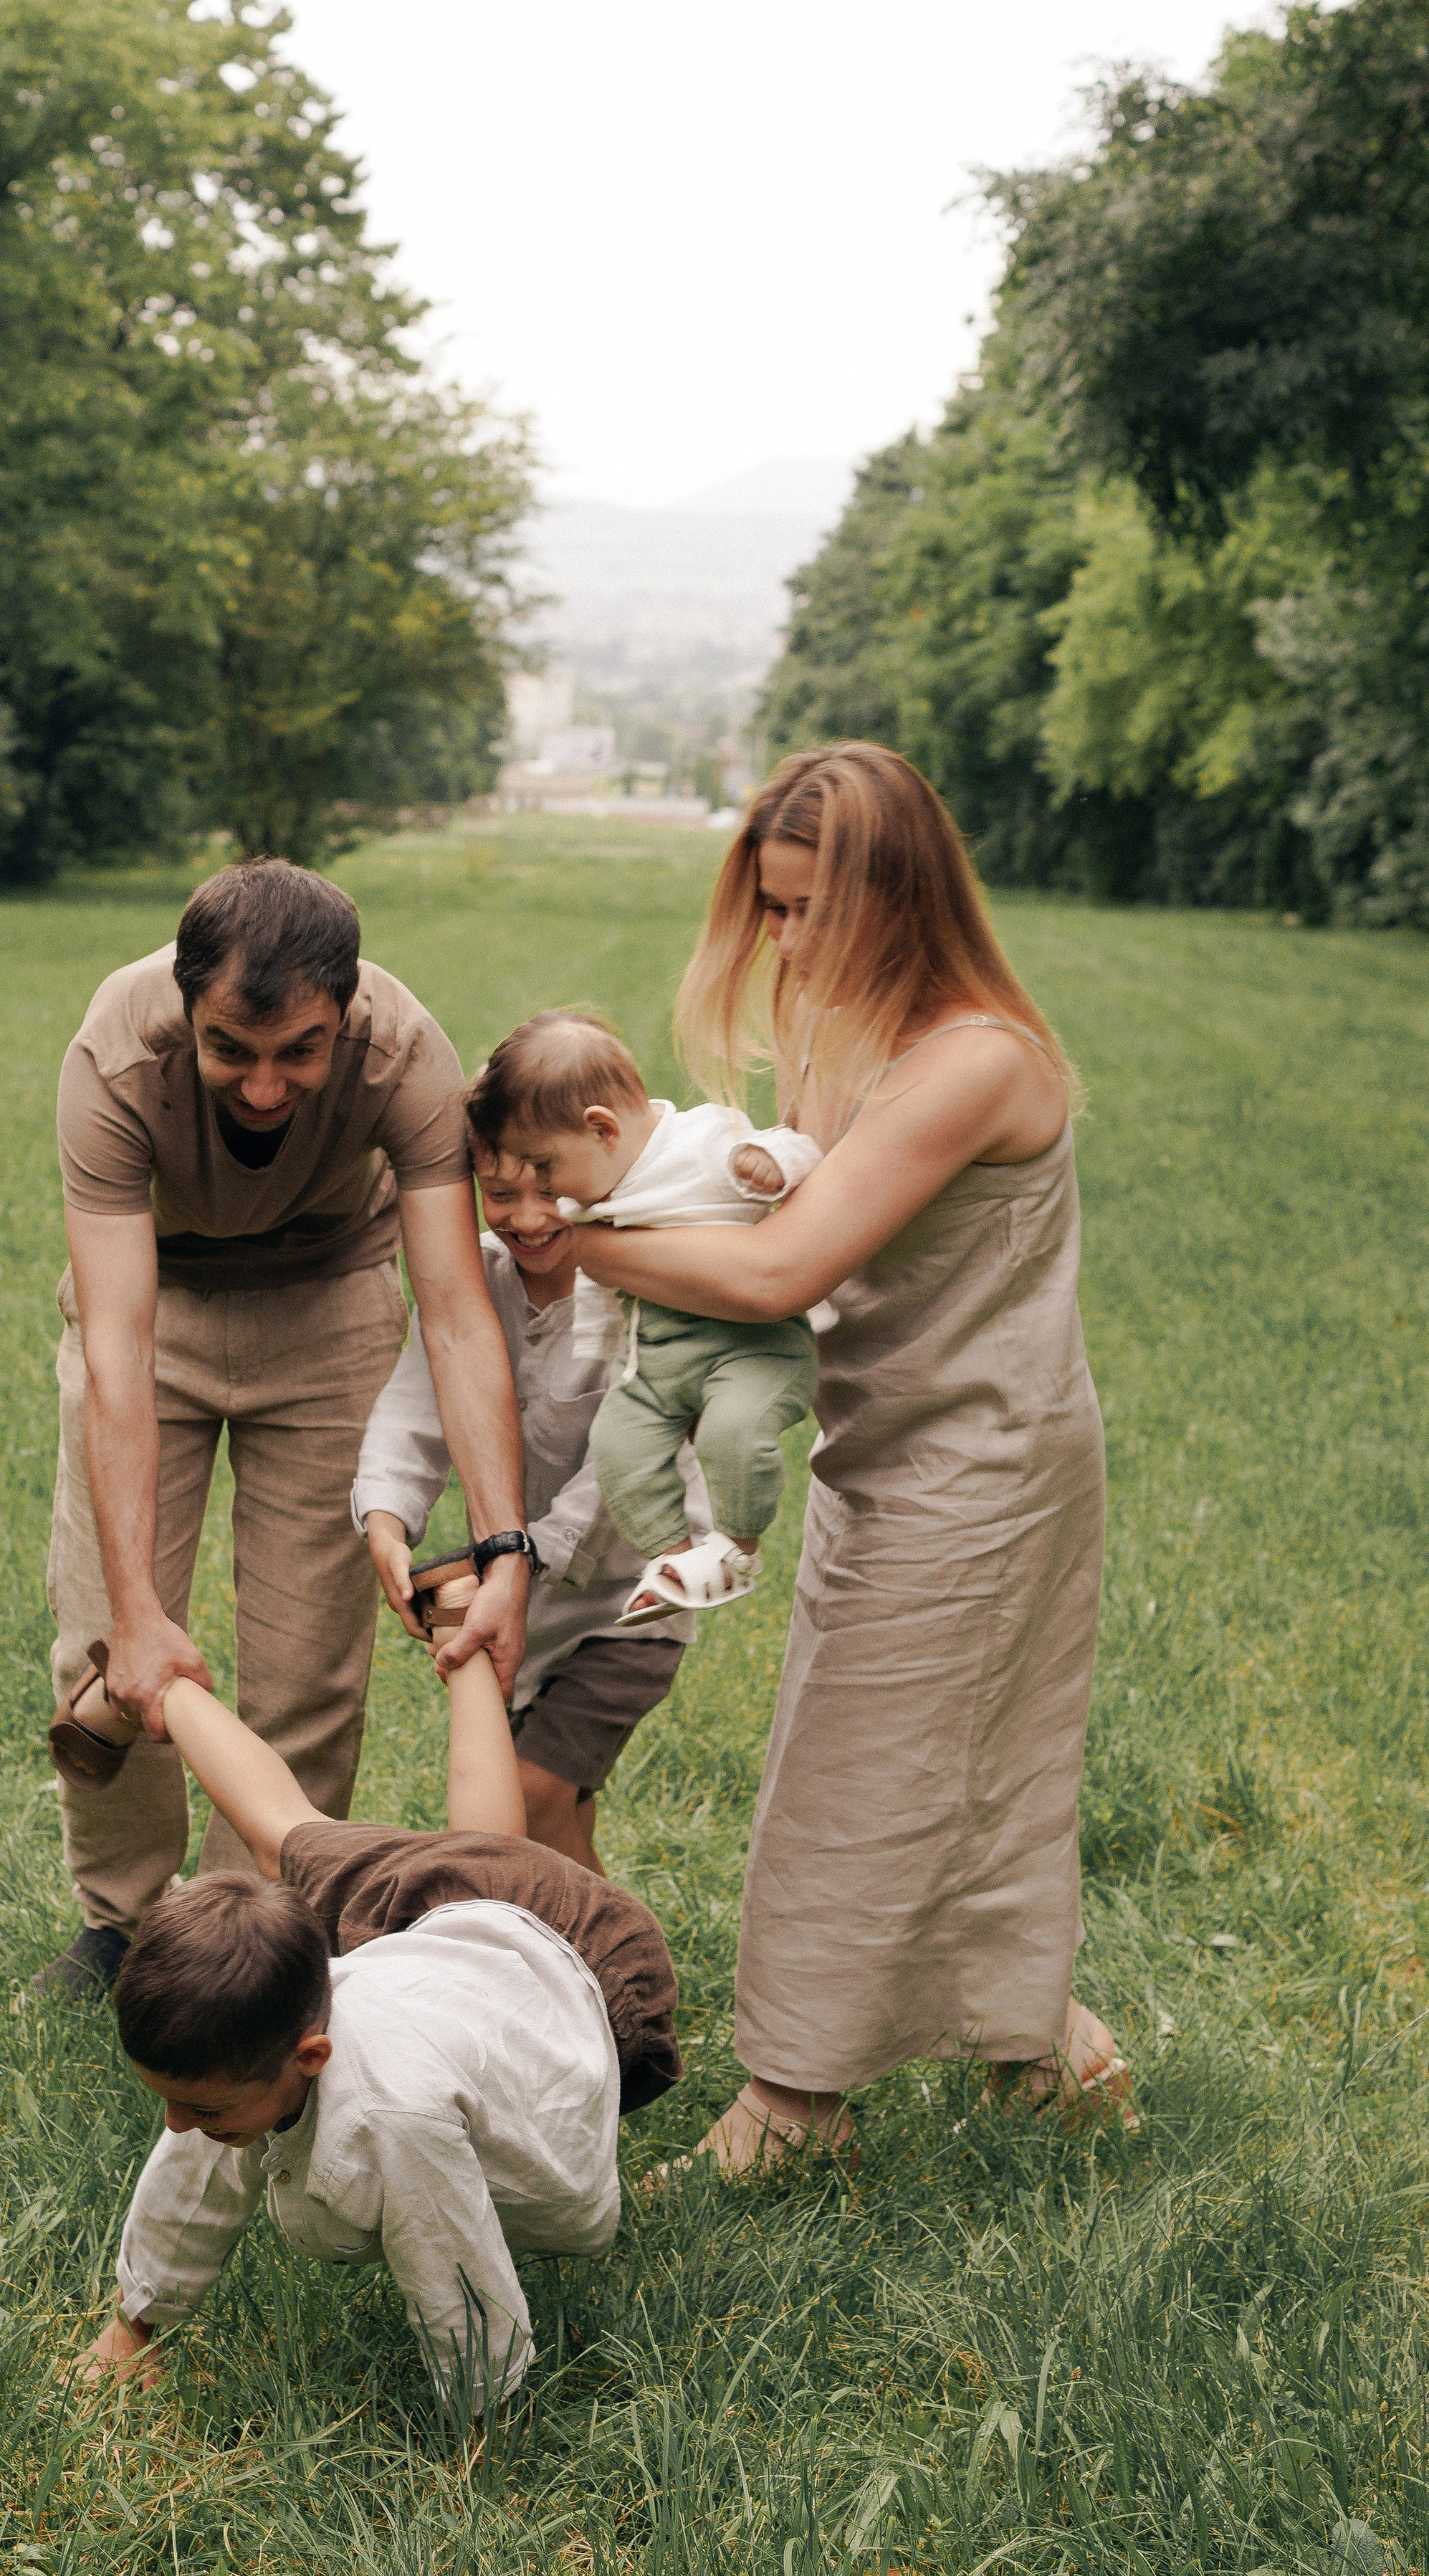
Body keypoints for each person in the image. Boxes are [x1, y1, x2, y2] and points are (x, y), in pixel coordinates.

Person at [573, 743, 1127, 2174]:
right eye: (768, 906)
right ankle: (1048, 2052)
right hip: (886, 1446)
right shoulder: (840, 1033)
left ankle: (794, 2106)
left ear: (894, 896)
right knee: (948, 1763)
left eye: (806, 907)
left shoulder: (975, 1063)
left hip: (989, 1464)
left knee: (862, 1773)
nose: (781, 939)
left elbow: (779, 1272)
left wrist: (571, 1241)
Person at [42, 858, 536, 1995]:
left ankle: (251, 1925)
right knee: (103, 1651)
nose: (266, 1088)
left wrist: (505, 1542)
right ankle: (122, 1921)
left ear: (348, 1012)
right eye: (233, 1050)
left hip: (328, 1308)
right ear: (186, 1007)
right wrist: (137, 1612)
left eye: (300, 1052)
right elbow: (117, 1344)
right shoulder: (116, 1055)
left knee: (306, 1669)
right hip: (156, 1315)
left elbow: (459, 1317)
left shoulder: (407, 1054)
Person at [65, 1606, 680, 2408]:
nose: (178, 2123)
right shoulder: (253, 2039)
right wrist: (132, 2327)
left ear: (311, 2050)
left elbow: (455, 2272)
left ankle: (176, 1678)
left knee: (454, 1846)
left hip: (588, 1956)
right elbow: (193, 2177)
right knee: (347, 1839)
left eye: (198, 2107)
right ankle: (160, 1675)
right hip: (441, 1929)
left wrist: (482, 2424)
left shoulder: (399, 2116)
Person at [354, 1088, 714, 1874]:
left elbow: (618, 1466)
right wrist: (386, 1511)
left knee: (531, 1793)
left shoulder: (638, 1287)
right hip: (527, 1610)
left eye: (549, 1188)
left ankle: (585, 1962)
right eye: (500, 1193)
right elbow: (417, 1402)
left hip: (633, 1606)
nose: (526, 1217)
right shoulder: (476, 1282)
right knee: (558, 1814)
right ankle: (608, 1966)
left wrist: (520, 1555)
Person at [464, 1012, 821, 1623]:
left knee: (731, 1431)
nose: (547, 1192)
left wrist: (773, 1160)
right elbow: (606, 1288)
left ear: (601, 1129)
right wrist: (612, 1360)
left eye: (545, 1169)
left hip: (753, 1351)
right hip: (658, 1361)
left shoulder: (704, 1144)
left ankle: (738, 1547)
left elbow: (801, 1148)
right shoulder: (596, 1191)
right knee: (619, 1443)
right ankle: (673, 1556)